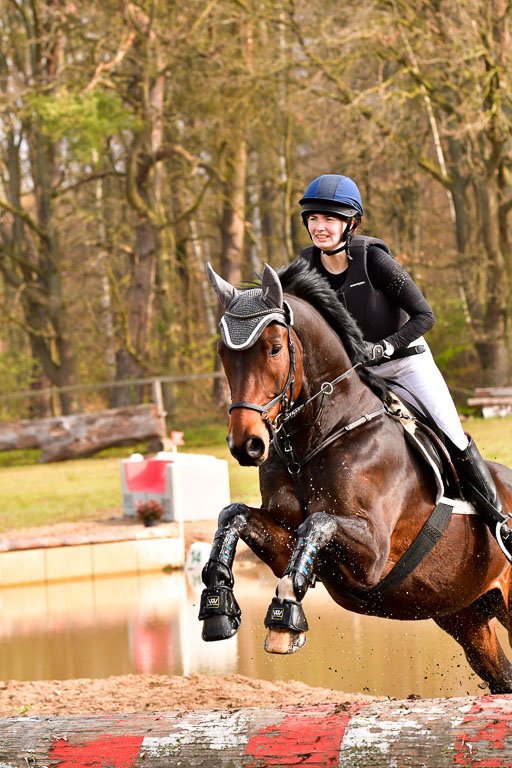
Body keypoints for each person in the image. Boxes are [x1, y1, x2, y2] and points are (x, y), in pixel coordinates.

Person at [296, 173, 512, 559]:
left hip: (407, 366)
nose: (320, 227)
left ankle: (501, 523)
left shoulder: (375, 260)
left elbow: (424, 316)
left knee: (452, 434)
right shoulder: (304, 267)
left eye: (330, 219)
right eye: (313, 218)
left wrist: (383, 348)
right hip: (358, 376)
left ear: (351, 223)